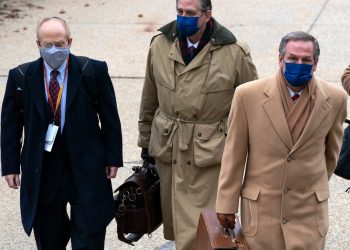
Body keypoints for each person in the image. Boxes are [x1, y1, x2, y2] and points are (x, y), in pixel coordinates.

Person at [138, 0, 257, 249]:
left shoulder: (234, 51)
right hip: (168, 147)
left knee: (203, 225)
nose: (183, 18)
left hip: (208, 152)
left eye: (190, 13)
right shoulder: (160, 44)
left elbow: (250, 105)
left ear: (207, 15)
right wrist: (146, 143)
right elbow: (149, 97)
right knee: (175, 223)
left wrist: (247, 153)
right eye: (180, 12)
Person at [216, 31, 348, 250]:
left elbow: (331, 155)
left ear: (315, 63)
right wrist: (226, 204)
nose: (299, 64)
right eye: (292, 58)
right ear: (280, 60)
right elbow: (234, 155)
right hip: (262, 211)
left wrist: (308, 185)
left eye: (306, 60)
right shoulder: (248, 95)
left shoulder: (335, 98)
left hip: (308, 212)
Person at [1, 17, 123, 249]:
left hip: (86, 167)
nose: (54, 50)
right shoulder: (21, 76)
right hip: (43, 171)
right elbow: (10, 125)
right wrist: (10, 166)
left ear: (70, 41)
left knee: (89, 239)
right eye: (47, 45)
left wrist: (113, 157)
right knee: (49, 239)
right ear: (38, 44)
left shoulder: (93, 71)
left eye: (59, 43)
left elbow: (110, 118)